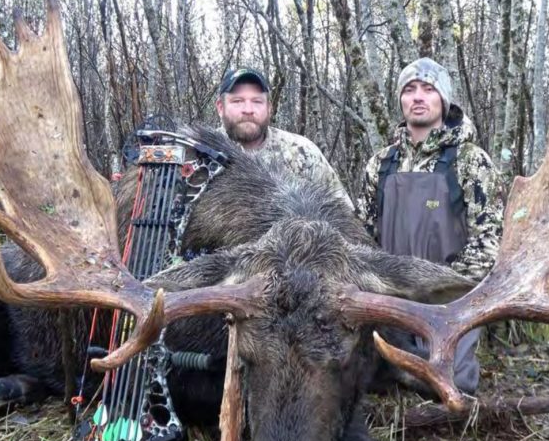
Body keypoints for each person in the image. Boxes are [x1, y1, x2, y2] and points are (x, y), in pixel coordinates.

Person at [356, 58, 504, 395]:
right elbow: (360, 235)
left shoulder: (470, 161)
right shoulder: (380, 164)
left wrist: (438, 284)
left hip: (450, 302)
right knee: (379, 384)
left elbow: (489, 241)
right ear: (401, 100)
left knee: (453, 385)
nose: (418, 97)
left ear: (443, 100)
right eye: (409, 90)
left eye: (428, 89)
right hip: (390, 298)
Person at [215, 68, 352, 206]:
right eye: (237, 101)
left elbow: (343, 213)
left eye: (257, 101)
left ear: (269, 108)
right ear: (221, 107)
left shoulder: (302, 152)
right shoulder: (202, 154)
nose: (248, 110)